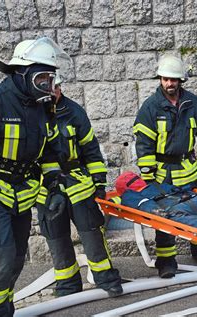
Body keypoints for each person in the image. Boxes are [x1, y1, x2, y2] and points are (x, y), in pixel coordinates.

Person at [0, 37, 68, 316]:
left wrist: (54, 184)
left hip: (22, 193)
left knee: (17, 258)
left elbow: (49, 151)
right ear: (22, 74)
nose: (47, 85)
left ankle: (2, 309)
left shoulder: (42, 108)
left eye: (50, 78)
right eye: (42, 78)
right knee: (1, 255)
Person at [133, 55, 197, 277]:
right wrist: (147, 175)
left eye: (173, 80)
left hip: (188, 170)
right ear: (160, 79)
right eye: (164, 79)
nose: (169, 84)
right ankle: (166, 261)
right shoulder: (151, 108)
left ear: (181, 80)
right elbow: (144, 144)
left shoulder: (192, 103)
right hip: (163, 174)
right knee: (164, 218)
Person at [35, 74, 123, 297]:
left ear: (60, 88)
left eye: (54, 87)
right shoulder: (33, 112)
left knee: (92, 233)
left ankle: (105, 278)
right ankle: (67, 285)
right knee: (56, 238)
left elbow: (91, 149)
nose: (50, 91)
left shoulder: (74, 112)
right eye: (47, 87)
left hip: (78, 184)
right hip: (47, 188)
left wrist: (99, 182)